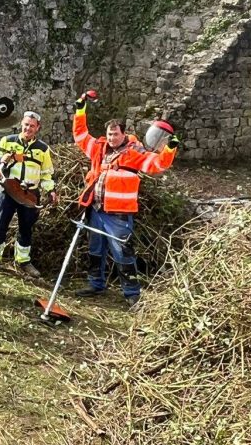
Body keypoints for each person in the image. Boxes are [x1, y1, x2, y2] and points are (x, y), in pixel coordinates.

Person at [72, 93, 179, 306]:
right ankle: (96, 284)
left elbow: (158, 164)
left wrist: (169, 148)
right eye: (109, 134)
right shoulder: (99, 149)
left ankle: (132, 294)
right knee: (95, 249)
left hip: (118, 215)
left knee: (122, 253)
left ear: (124, 134)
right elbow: (81, 135)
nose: (111, 138)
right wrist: (80, 110)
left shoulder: (135, 153)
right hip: (95, 209)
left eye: (115, 134)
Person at [0, 111, 57, 277]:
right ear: (21, 124)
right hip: (7, 188)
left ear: (38, 128)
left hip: (29, 193)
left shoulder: (43, 149)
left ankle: (23, 261)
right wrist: (3, 159)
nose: (28, 128)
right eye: (26, 124)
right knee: (0, 224)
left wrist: (51, 190)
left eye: (32, 126)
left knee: (26, 228)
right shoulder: (8, 141)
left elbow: (46, 175)